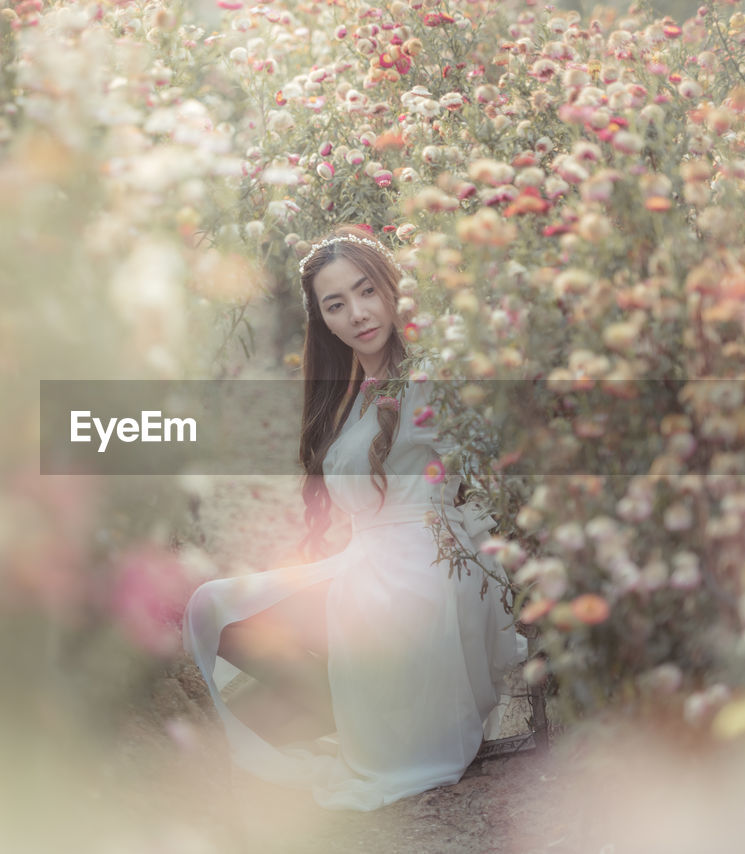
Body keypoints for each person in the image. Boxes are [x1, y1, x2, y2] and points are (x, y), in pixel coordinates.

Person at [182, 224, 526, 811]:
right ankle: (336, 717)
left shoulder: (429, 373)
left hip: (417, 576)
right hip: (373, 565)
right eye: (335, 305)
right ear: (323, 320)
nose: (357, 314)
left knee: (222, 616)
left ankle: (344, 723)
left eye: (367, 291)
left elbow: (487, 452)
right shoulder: (359, 394)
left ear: (393, 289)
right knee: (215, 614)